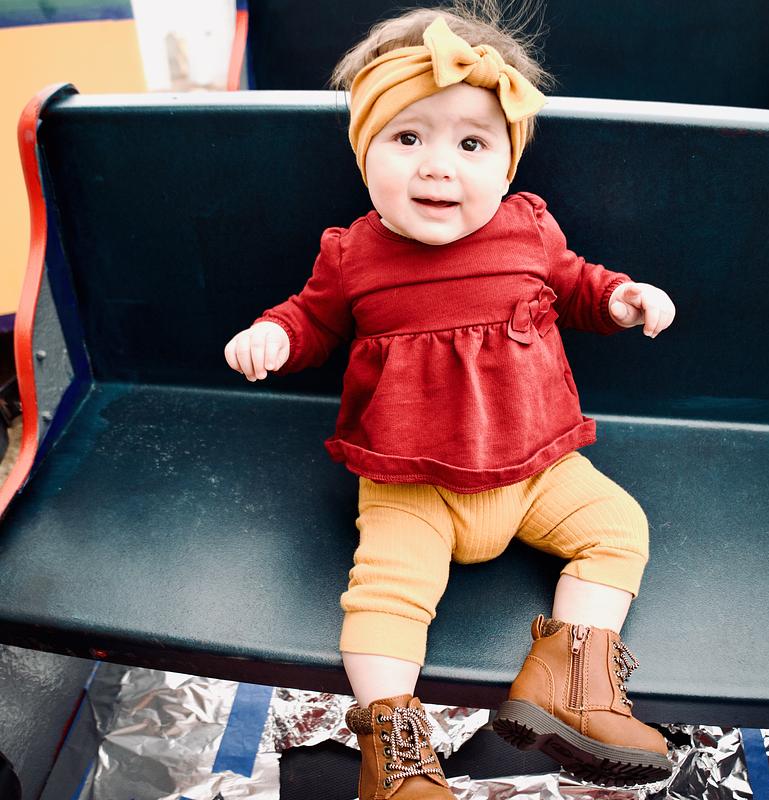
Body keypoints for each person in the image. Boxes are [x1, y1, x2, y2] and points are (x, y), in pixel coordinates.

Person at [224, 3, 676, 796]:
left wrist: (621, 298)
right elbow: (312, 319)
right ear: (364, 151)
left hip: (535, 468)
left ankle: (572, 680)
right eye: (408, 138)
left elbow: (577, 284)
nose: (439, 168)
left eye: (471, 144)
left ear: (506, 166)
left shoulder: (529, 228)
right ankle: (396, 749)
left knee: (618, 529)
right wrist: (273, 335)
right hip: (411, 483)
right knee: (386, 597)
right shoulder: (352, 253)